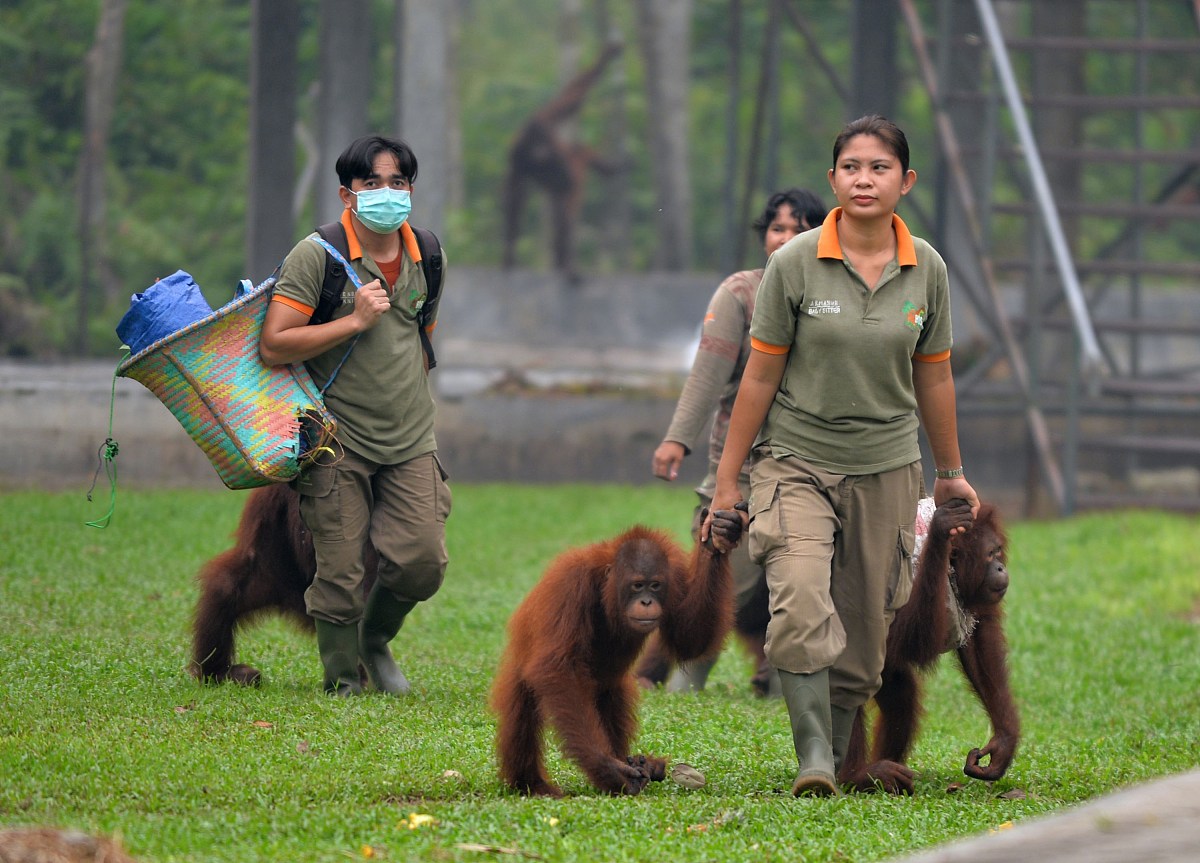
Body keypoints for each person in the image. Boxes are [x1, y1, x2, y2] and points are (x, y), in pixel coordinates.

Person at [702, 115, 979, 796]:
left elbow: (934, 377)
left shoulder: (928, 268)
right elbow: (759, 376)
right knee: (799, 598)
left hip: (887, 466)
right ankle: (815, 759)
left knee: (864, 629)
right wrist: (729, 479)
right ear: (833, 179)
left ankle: (836, 741)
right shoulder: (794, 263)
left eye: (879, 167)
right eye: (851, 167)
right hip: (795, 459)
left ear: (905, 181)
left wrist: (950, 473)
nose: (864, 179)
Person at [259, 134, 451, 696]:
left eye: (398, 182)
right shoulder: (317, 255)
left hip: (411, 440)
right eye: (372, 183)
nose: (386, 193)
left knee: (422, 563)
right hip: (336, 440)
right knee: (340, 572)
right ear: (348, 194)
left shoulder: (428, 253)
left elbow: (420, 337)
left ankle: (374, 639)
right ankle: (343, 680)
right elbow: (274, 344)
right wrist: (353, 321)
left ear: (410, 190)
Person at [639, 188, 828, 698]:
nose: (785, 239)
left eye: (800, 229)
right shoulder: (742, 293)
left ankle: (783, 677)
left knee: (804, 583)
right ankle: (680, 676)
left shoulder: (837, 296)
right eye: (777, 228)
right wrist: (677, 440)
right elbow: (708, 373)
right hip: (741, 464)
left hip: (816, 463)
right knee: (722, 576)